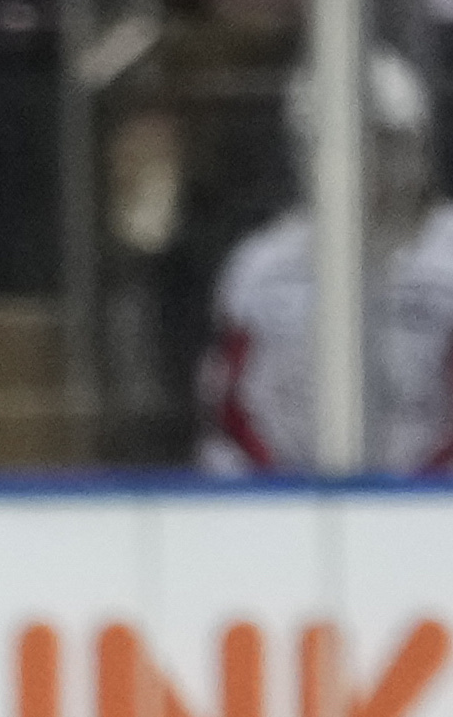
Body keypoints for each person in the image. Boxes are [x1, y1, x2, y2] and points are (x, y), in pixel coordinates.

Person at [194, 56, 453, 473]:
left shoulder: (447, 254)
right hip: (282, 508)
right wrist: (290, 497)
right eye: (347, 145)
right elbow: (231, 412)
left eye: (387, 142)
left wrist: (414, 501)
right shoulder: (261, 267)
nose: (372, 167)